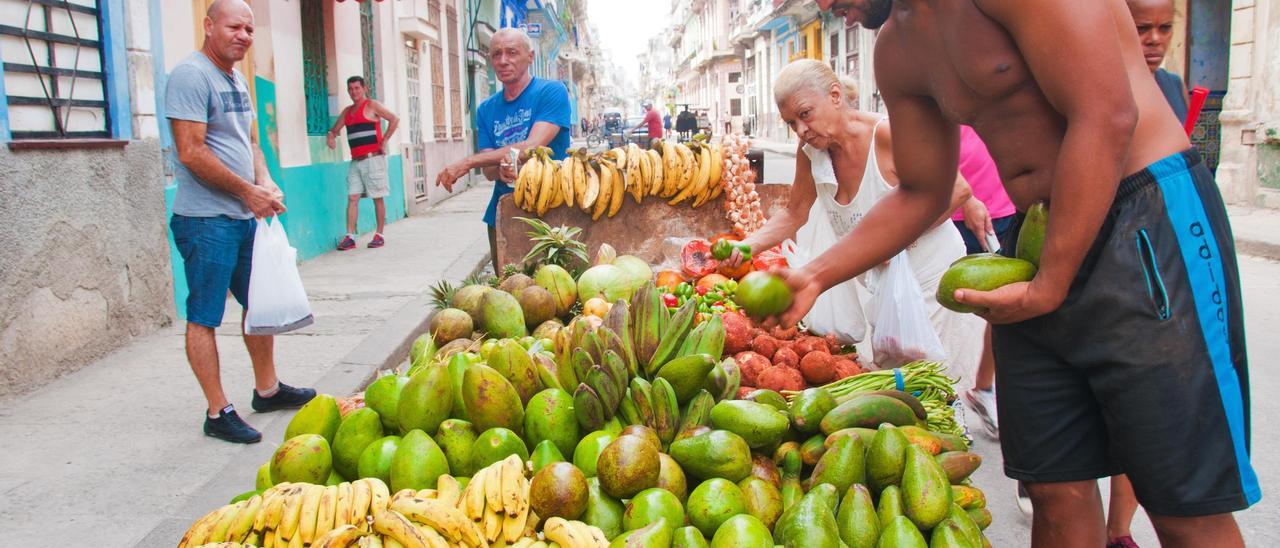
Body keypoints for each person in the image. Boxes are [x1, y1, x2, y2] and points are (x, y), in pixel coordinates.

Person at [792, 1, 1255, 546]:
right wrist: (816, 274)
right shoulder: (897, 49)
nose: (823, 4)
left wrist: (1053, 281)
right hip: (1030, 246)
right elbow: (922, 190)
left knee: (1184, 505)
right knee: (1054, 493)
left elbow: (1106, 114)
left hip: (1144, 222)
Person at [722, 61, 985, 387]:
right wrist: (748, 245)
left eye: (805, 114)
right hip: (880, 284)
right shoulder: (810, 152)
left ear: (835, 96)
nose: (801, 130)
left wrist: (895, 239)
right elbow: (795, 212)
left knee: (939, 380)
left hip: (931, 277)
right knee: (897, 383)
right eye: (791, 123)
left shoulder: (887, 135)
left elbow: (956, 190)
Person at [166, 0, 315, 444]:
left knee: (260, 303)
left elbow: (250, 143)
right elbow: (192, 152)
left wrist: (264, 183)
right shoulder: (191, 76)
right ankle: (217, 410)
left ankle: (267, 389)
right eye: (235, 27)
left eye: (250, 30)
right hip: (205, 220)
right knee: (205, 316)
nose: (244, 36)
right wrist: (247, 192)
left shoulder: (236, 80)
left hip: (243, 215)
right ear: (208, 26)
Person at [1101, 2, 1191, 546]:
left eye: (1164, 29)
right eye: (1142, 29)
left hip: (1158, 257)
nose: (1154, 40)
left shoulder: (1176, 87)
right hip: (1105, 255)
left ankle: (1120, 530)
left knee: (1145, 419)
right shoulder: (1089, 78)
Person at [434, 28, 571, 272]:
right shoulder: (486, 109)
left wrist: (467, 163)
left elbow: (532, 145)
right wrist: (503, 169)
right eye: (496, 54)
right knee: (509, 294)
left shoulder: (551, 92)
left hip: (553, 213)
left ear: (529, 57)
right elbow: (489, 171)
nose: (503, 60)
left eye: (512, 52)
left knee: (559, 294)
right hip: (503, 214)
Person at [952, 125, 1017, 441]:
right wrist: (967, 198)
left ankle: (983, 387)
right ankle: (947, 399)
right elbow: (932, 154)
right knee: (950, 310)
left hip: (1006, 212)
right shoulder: (949, 99)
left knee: (1004, 305)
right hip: (957, 218)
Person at [326, 76, 399, 251]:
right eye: (351, 89)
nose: (354, 92)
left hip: (373, 159)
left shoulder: (372, 105)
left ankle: (379, 234)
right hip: (356, 162)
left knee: (377, 197)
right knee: (352, 197)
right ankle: (350, 237)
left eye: (357, 88)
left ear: (364, 88)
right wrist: (330, 136)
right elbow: (334, 130)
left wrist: (384, 141)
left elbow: (394, 119)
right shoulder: (347, 112)